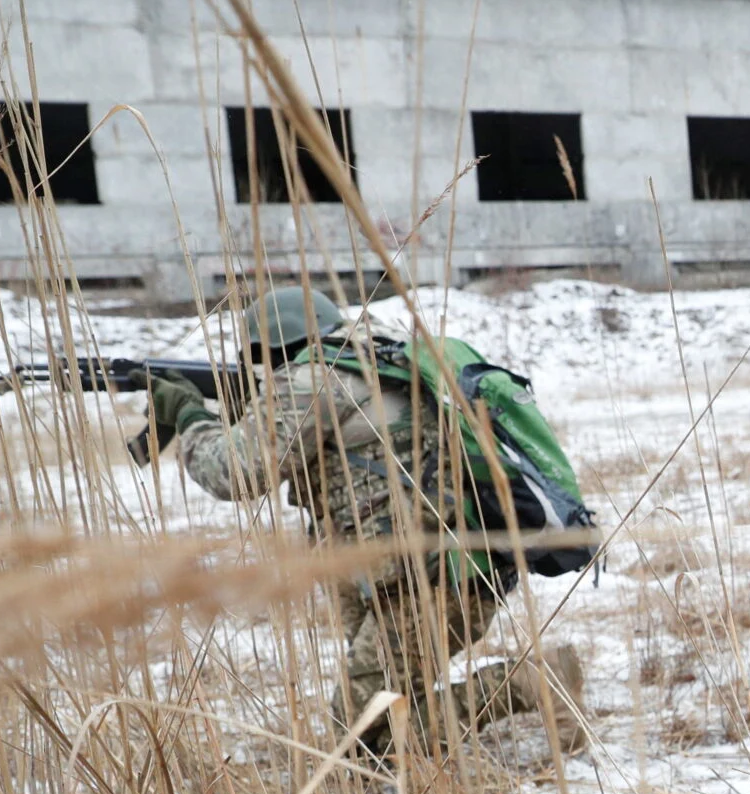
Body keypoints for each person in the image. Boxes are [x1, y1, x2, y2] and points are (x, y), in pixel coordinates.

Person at [145, 287, 584, 754]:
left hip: (429, 582)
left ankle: (535, 681)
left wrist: (190, 416)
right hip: (427, 573)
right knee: (384, 711)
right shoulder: (379, 356)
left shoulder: (315, 379)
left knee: (362, 733)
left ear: (269, 348)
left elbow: (234, 472)